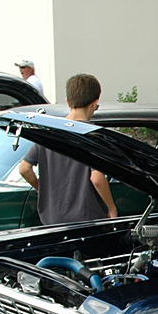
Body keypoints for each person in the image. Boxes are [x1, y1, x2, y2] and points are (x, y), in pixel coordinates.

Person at [18, 74, 118, 225]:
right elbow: (97, 178)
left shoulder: (47, 133)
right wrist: (112, 208)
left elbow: (24, 169)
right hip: (87, 218)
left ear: (68, 102)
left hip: (51, 219)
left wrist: (42, 190)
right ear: (94, 103)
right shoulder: (93, 136)